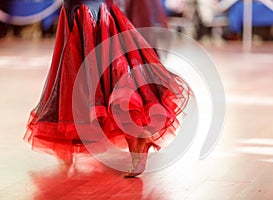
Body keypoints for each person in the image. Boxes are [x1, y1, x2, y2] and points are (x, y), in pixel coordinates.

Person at [24, 0, 191, 178]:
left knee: (97, 70)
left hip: (88, 10)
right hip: (86, 9)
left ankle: (133, 137)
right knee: (98, 70)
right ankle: (132, 137)